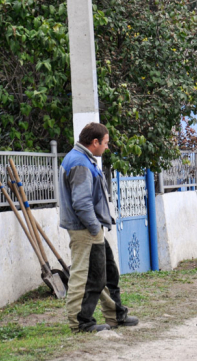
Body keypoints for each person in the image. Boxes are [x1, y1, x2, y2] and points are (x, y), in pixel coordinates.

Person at [59, 122, 138, 333]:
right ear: (94, 142)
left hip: (91, 228)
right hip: (85, 229)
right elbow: (82, 203)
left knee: (105, 273)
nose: (107, 147)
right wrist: (95, 228)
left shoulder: (83, 159)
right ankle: (80, 322)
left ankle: (115, 315)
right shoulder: (80, 163)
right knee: (85, 276)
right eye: (105, 143)